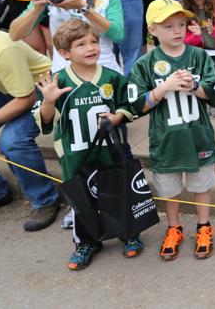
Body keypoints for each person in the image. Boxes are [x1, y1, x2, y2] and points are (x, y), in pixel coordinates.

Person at [34, 20, 142, 269]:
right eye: (81, 44)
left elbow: (130, 105)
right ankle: (87, 241)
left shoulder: (112, 78)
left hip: (108, 149)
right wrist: (48, 101)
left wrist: (117, 117)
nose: (90, 47)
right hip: (75, 152)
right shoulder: (57, 82)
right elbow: (45, 122)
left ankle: (128, 232)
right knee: (81, 198)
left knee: (117, 189)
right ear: (64, 53)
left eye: (93, 41)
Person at [128, 0, 215, 261]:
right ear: (153, 30)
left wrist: (194, 86)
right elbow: (137, 105)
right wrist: (164, 87)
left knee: (202, 183)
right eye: (168, 26)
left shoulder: (199, 56)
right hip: (165, 138)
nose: (177, 30)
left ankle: (204, 226)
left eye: (181, 24)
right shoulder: (144, 64)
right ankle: (174, 227)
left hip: (198, 135)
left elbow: (213, 93)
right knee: (168, 188)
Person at [0, 29, 60, 231]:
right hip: (8, 88)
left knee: (12, 141)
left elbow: (26, 98)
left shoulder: (3, 48)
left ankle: (45, 199)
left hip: (43, 89)